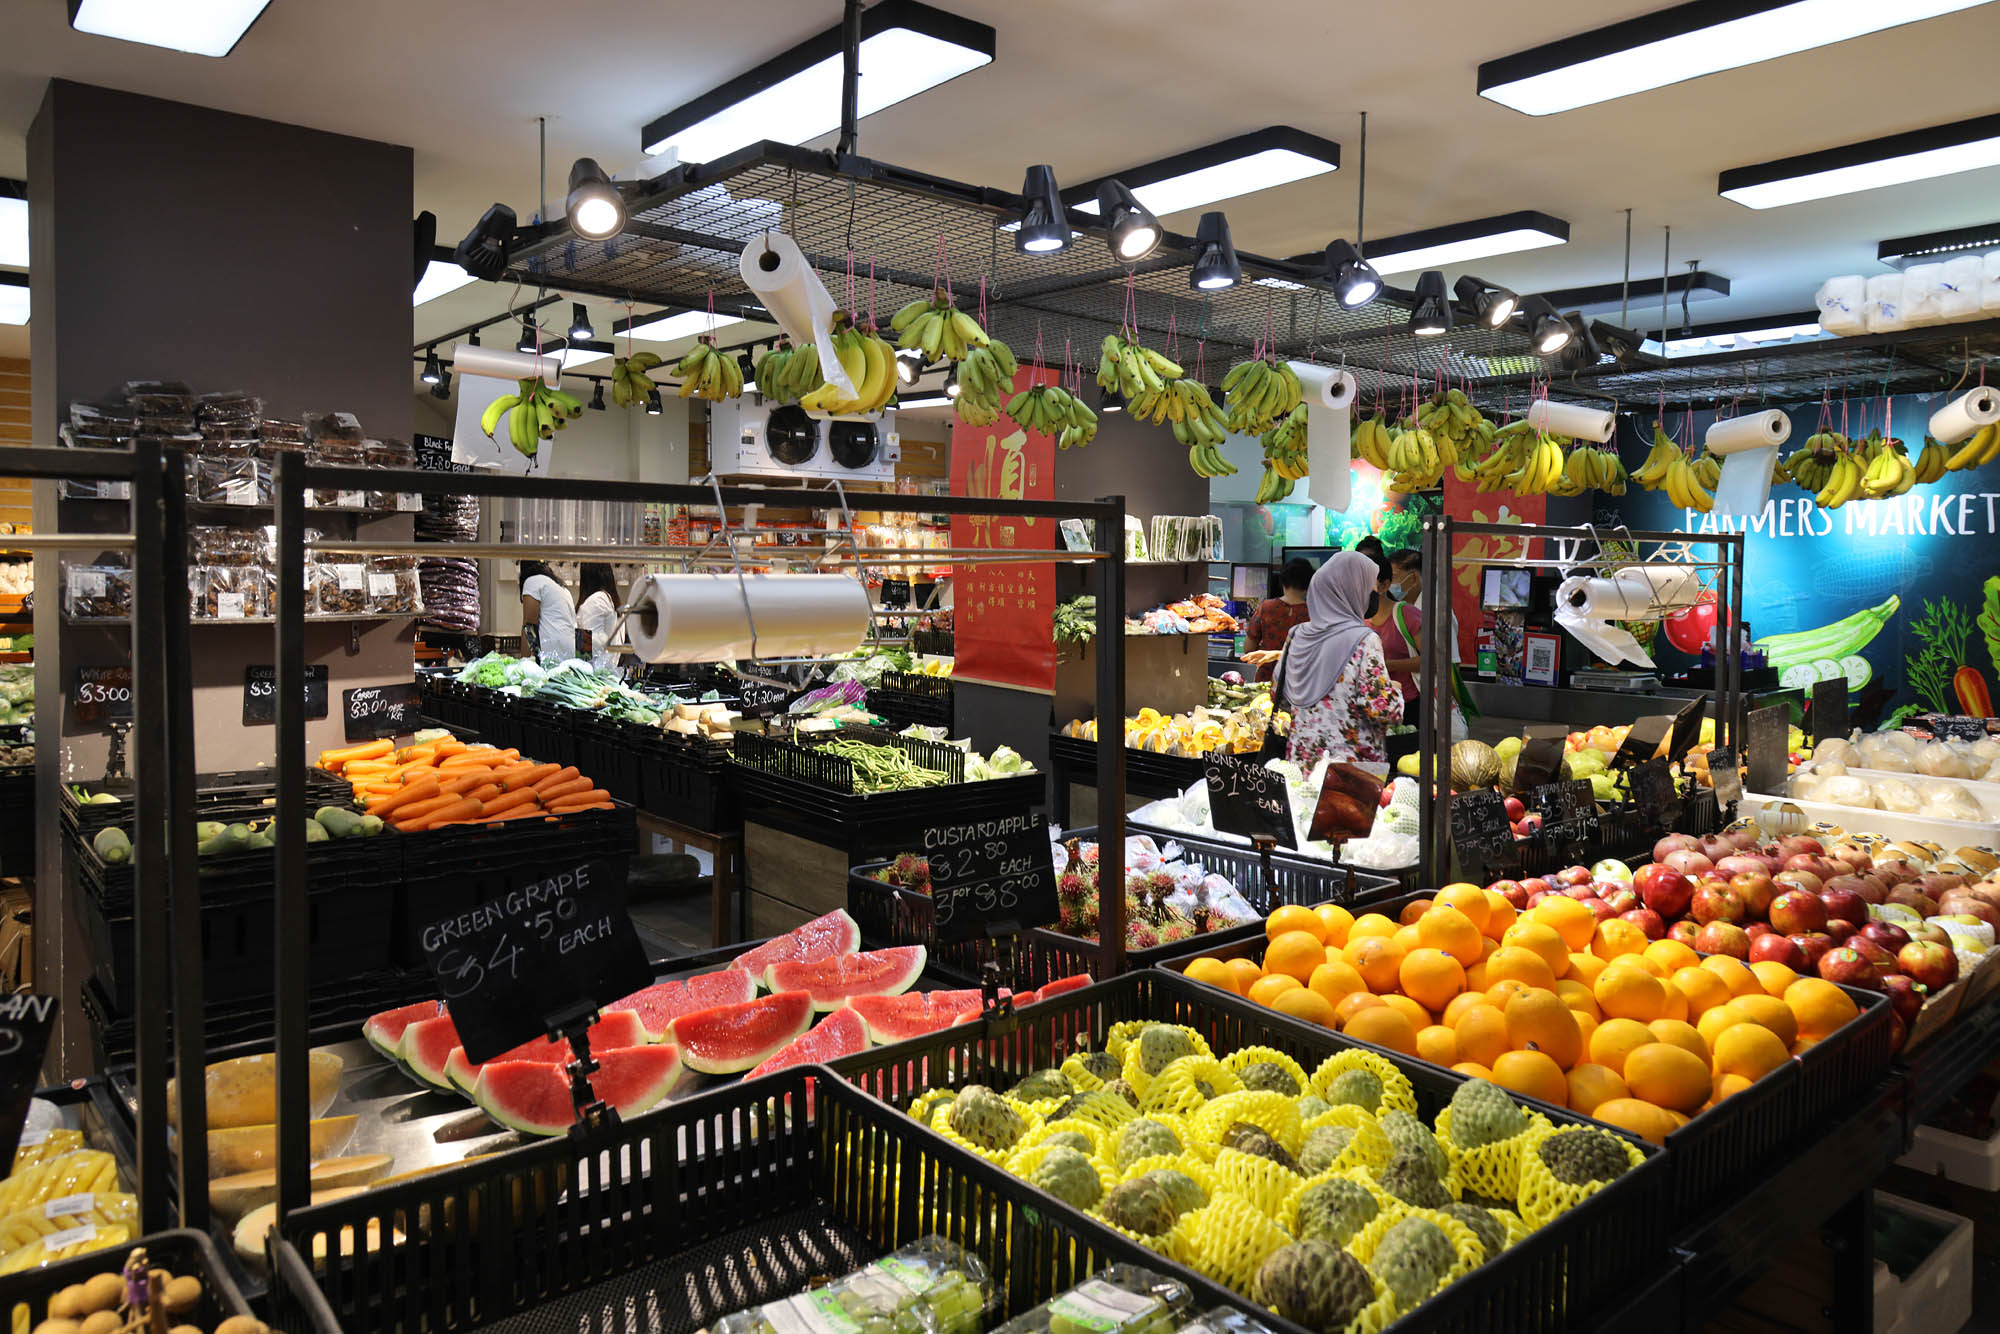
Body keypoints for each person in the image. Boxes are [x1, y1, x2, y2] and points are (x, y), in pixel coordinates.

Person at [1273, 551, 1404, 767]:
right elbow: (1381, 710)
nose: (1373, 594)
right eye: (1368, 587)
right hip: (1349, 771)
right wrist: (1394, 690)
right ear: (1351, 592)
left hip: (1301, 761)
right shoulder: (1364, 640)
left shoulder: (1297, 635)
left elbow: (1280, 696)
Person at [1388, 547, 1473, 742]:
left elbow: (1449, 664)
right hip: (1409, 702)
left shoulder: (1435, 610)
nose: (1391, 584)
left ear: (1414, 578)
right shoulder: (1402, 608)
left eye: (1394, 577)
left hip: (1431, 701)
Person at [1364, 548, 1422, 705]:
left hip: (1408, 703)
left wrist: (1388, 665)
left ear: (1385, 585)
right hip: (1372, 704)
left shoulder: (1407, 614)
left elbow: (1433, 661)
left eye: (1366, 582)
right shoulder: (1358, 618)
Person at [1242, 558, 1315, 681]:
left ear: (1283, 582)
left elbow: (1248, 648)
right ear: (1309, 584)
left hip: (1267, 680)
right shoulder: (1315, 613)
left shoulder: (1266, 607)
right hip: (1301, 682)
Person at [518, 561, 575, 664]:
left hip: (550, 654)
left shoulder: (532, 581)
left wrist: (523, 662)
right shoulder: (562, 588)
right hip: (568, 654)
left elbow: (529, 627)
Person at [575, 563, 624, 671]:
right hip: (607, 671)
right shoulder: (611, 600)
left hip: (594, 673)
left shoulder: (596, 600)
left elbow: (591, 644)